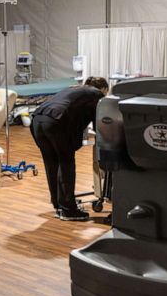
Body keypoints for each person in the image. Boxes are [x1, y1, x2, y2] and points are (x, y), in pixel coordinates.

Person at [30, 77, 108, 222]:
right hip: (56, 122)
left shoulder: (73, 89)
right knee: (66, 164)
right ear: (103, 89)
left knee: (52, 163)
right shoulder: (97, 94)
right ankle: (68, 210)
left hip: (37, 120)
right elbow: (100, 122)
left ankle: (59, 205)